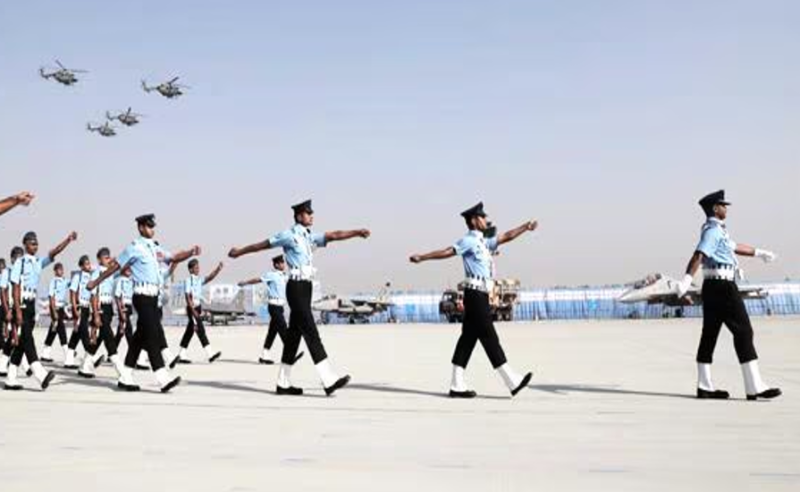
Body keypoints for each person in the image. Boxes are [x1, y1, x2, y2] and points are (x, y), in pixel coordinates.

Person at [228, 199, 369, 396]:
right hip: (295, 288)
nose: (312, 216)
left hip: (306, 287)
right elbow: (262, 245)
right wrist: (239, 252)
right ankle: (328, 379)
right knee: (311, 332)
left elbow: (334, 235)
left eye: (311, 213)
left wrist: (356, 232)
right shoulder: (288, 235)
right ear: (299, 216)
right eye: (308, 213)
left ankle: (283, 383)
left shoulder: (309, 236)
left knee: (293, 338)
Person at [409, 202, 535, 398]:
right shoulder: (468, 240)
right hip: (475, 295)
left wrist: (525, 227)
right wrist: (423, 257)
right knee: (490, 337)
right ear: (475, 220)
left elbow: (507, 236)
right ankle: (511, 380)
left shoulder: (484, 242)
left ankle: (456, 385)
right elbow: (448, 251)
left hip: (481, 294)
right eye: (483, 217)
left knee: (467, 340)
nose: (486, 220)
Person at [675, 190, 782, 401]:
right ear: (716, 208)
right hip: (723, 287)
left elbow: (735, 247)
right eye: (723, 205)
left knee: (709, 335)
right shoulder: (713, 232)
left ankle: (704, 386)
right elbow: (698, 255)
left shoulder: (716, 231)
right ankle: (754, 386)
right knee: (744, 331)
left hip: (712, 287)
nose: (726, 208)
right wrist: (686, 279)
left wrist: (760, 253)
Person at [87, 214, 199, 393]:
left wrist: (190, 252)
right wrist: (96, 282)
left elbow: (174, 257)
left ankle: (125, 376)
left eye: (152, 226)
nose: (151, 229)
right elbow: (115, 266)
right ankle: (162, 378)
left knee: (139, 338)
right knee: (152, 335)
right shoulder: (134, 247)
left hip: (153, 298)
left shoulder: (155, 248)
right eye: (148, 226)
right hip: (142, 297)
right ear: (140, 227)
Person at [4, 230, 77, 390]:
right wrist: (17, 311)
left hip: (31, 305)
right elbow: (15, 287)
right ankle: (40, 374)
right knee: (28, 340)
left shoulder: (38, 262)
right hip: (22, 305)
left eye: (36, 243)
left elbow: (54, 252)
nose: (35, 245)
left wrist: (68, 240)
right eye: (32, 243)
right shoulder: (20, 263)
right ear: (25, 244)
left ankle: (10, 379)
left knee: (22, 344)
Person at [237, 255, 303, 365]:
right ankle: (290, 356)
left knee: (272, 332)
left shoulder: (284, 276)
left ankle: (264, 355)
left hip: (280, 307)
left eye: (283, 262)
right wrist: (245, 282)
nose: (283, 264)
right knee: (284, 330)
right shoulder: (271, 275)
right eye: (281, 263)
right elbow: (258, 279)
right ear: (276, 265)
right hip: (274, 306)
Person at [86, 247, 127, 380]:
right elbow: (93, 295)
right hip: (100, 307)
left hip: (108, 307)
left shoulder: (111, 272)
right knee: (109, 338)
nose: (108, 259)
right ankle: (122, 372)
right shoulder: (96, 273)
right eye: (105, 257)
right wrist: (96, 314)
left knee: (100, 338)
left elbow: (121, 269)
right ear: (99, 259)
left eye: (109, 257)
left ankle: (85, 365)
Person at [176, 259, 224, 364]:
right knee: (200, 330)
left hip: (197, 307)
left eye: (198, 267)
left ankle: (181, 354)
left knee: (189, 332)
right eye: (196, 268)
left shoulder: (198, 280)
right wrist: (193, 311)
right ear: (190, 269)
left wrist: (218, 269)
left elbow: (209, 278)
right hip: (192, 308)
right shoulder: (188, 281)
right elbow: (187, 296)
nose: (198, 269)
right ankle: (210, 354)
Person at [64, 255, 95, 372]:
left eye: (89, 263)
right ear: (81, 266)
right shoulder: (78, 276)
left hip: (87, 308)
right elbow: (72, 292)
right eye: (86, 264)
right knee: (84, 332)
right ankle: (91, 357)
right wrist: (74, 308)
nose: (89, 266)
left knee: (76, 335)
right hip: (79, 307)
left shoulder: (91, 277)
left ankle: (68, 361)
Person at [41, 262, 69, 362]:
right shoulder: (54, 282)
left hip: (61, 308)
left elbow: (73, 284)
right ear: (55, 271)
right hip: (55, 308)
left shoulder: (65, 281)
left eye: (61, 269)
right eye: (59, 269)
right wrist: (53, 311)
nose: (61, 271)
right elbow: (51, 297)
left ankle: (45, 353)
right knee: (61, 330)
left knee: (53, 331)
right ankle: (68, 353)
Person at [114, 267, 134, 347]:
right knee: (128, 329)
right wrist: (120, 310)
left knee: (121, 331)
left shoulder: (131, 280)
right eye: (127, 269)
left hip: (129, 305)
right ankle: (132, 349)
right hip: (123, 305)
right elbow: (117, 296)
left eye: (130, 269)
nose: (129, 270)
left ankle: (113, 349)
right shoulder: (121, 280)